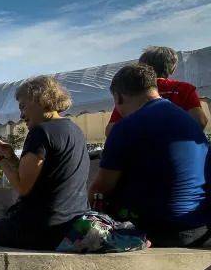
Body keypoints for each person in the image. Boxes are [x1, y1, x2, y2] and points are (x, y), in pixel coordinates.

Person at [90, 64, 210, 247]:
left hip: (157, 231)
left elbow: (101, 188)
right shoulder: (189, 121)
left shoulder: (126, 127)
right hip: (198, 225)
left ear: (119, 96)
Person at [0, 76, 89, 250]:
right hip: (73, 223)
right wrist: (11, 156)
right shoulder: (74, 130)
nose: (21, 115)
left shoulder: (40, 132)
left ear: (40, 99)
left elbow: (22, 187)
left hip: (43, 228)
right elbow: (43, 174)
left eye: (23, 106)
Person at [105, 46, 208, 137]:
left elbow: (111, 131)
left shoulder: (132, 92)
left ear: (141, 68)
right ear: (172, 68)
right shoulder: (184, 89)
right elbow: (200, 121)